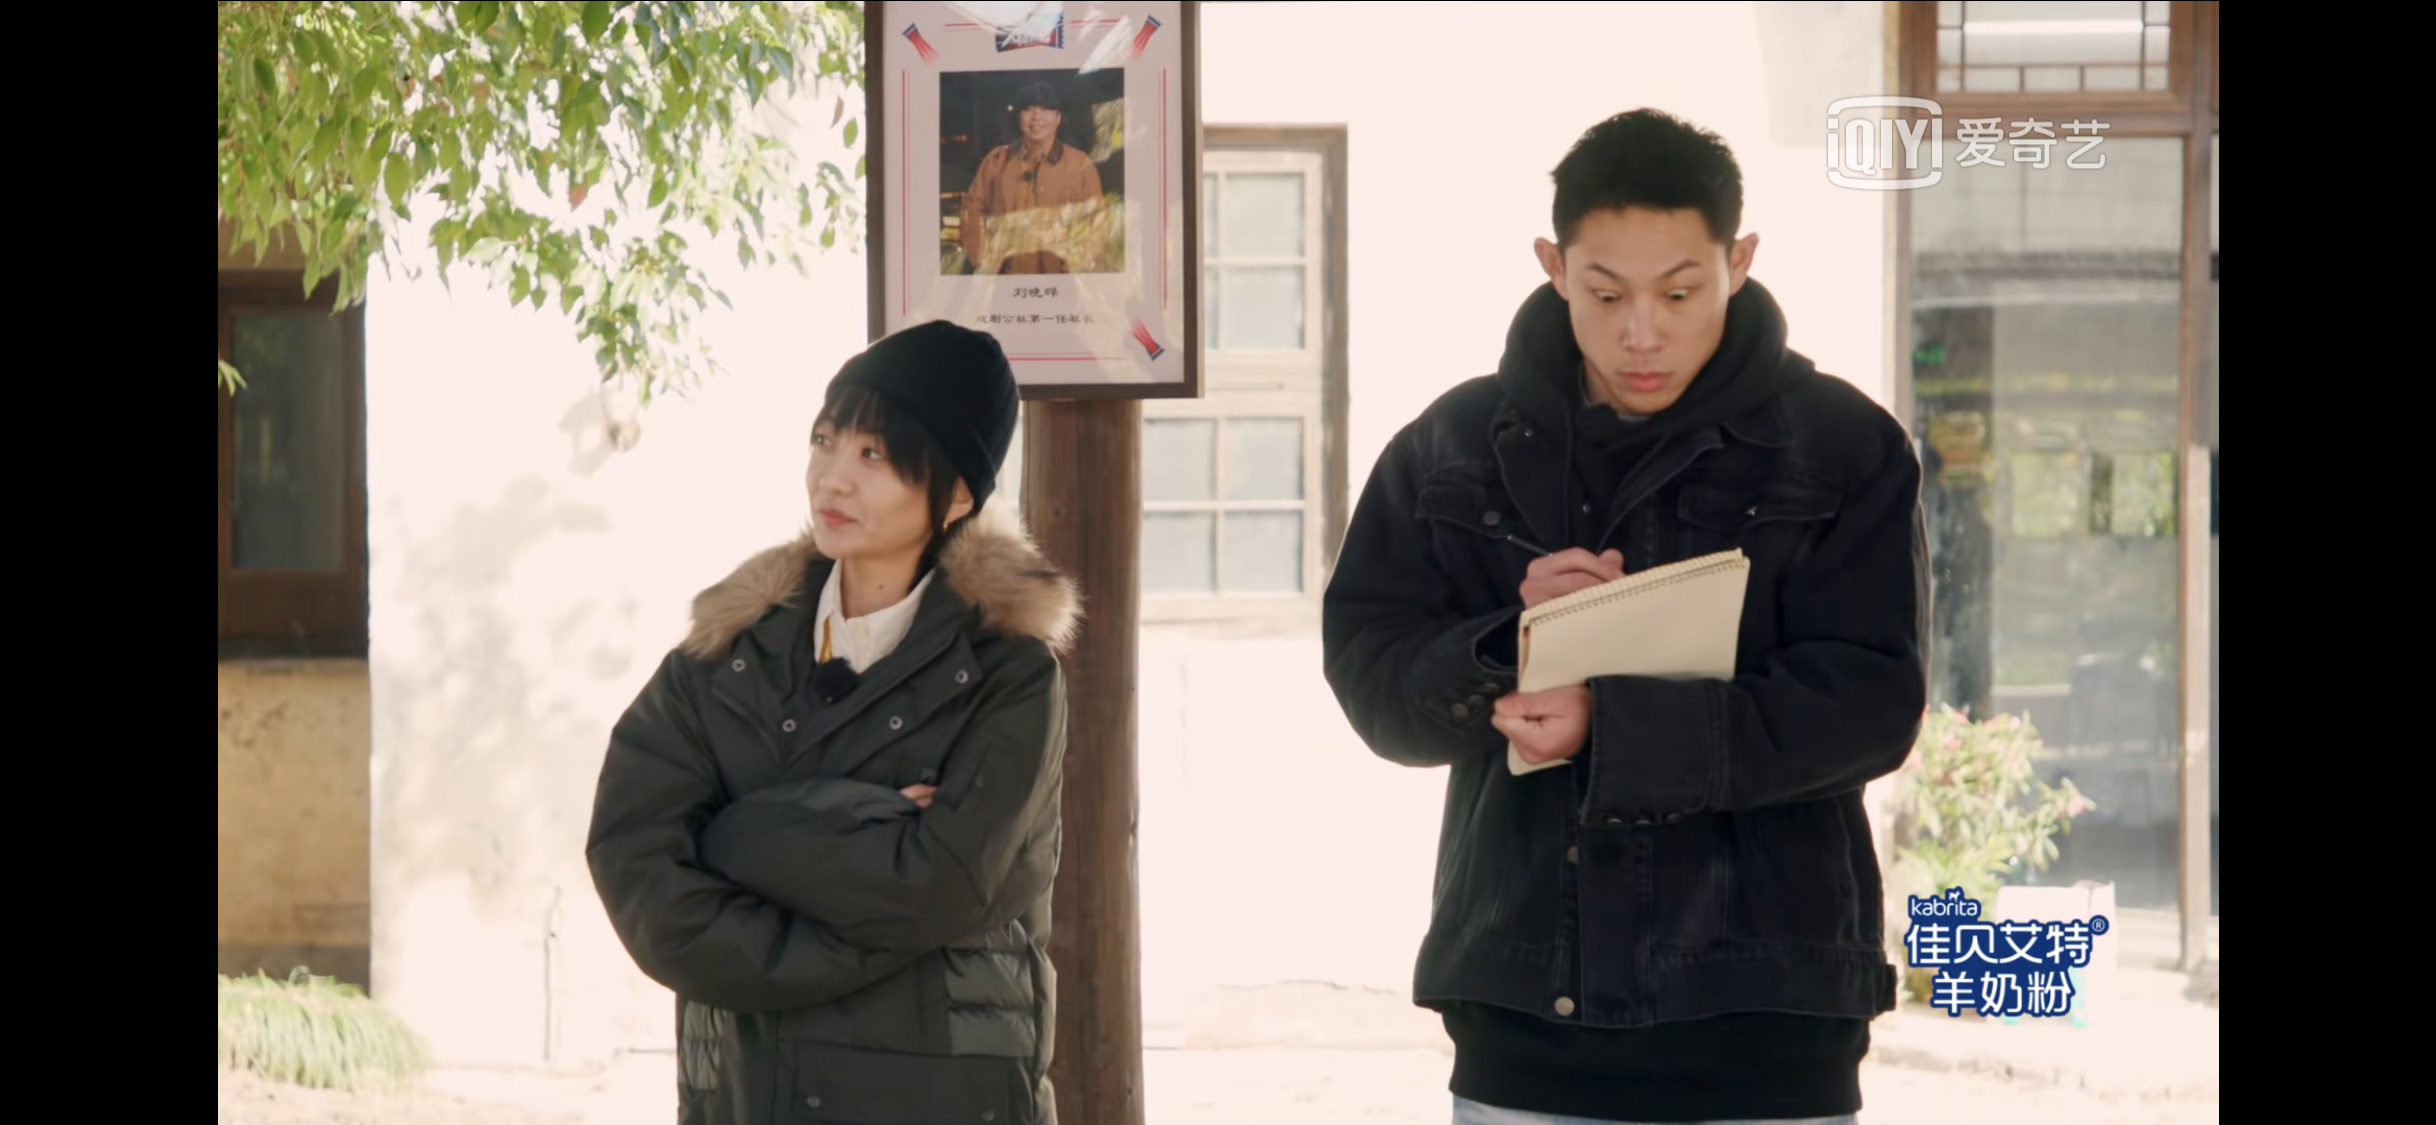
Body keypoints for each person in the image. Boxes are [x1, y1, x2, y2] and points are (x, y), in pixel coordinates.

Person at [1320, 109, 1929, 1125]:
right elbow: (1373, 679)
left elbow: (1870, 706)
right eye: (1605, 294)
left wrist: (1611, 728)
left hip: (1767, 1014)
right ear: (1554, 266)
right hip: (1527, 1017)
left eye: (1680, 292)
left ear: (1739, 261)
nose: (1642, 331)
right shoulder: (1451, 447)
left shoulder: (1842, 448)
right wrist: (1502, 650)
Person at [587, 321, 1079, 1125]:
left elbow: (940, 884)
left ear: (957, 494)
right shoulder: (724, 655)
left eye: (874, 454)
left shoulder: (1009, 676)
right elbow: (633, 861)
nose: (833, 477)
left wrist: (732, 835)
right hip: (745, 1093)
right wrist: (866, 826)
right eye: (824, 441)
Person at [959, 80, 1106, 274]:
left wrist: (1078, 263)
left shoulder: (1081, 165)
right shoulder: (996, 161)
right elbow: (972, 209)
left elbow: (1097, 219)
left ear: (1058, 117)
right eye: (1028, 109)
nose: (1036, 117)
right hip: (1006, 280)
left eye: (1045, 109)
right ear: (1018, 117)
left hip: (1062, 280)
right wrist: (982, 256)